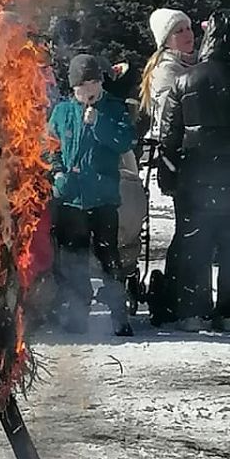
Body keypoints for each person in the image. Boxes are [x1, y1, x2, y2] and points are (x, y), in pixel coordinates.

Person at [158, 10, 230, 333]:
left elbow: (170, 135)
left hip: (194, 182)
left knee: (195, 246)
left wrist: (170, 174)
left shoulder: (184, 81)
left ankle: (193, 311)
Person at [48, 53, 137, 336]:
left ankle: (118, 313)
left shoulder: (113, 108)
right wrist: (58, 172)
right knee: (72, 257)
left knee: (108, 255)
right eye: (84, 84)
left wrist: (99, 122)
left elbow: (124, 141)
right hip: (71, 198)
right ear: (74, 88)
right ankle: (77, 312)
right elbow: (50, 147)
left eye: (94, 82)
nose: (90, 89)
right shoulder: (62, 112)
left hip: (103, 197)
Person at [139, 8, 194, 137]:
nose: (187, 34)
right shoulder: (165, 70)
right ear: (166, 41)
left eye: (188, 28)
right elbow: (169, 114)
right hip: (172, 144)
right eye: (179, 31)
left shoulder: (195, 62)